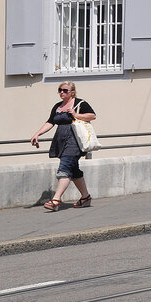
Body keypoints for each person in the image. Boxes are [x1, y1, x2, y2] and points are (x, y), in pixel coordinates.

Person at [30, 82, 96, 211]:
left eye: (65, 90)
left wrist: (76, 115)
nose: (61, 92)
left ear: (72, 92)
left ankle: (56, 200)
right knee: (74, 170)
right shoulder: (57, 106)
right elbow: (50, 122)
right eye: (60, 90)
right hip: (61, 140)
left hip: (74, 141)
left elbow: (92, 116)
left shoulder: (80, 104)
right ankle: (85, 197)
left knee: (64, 166)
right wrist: (37, 133)